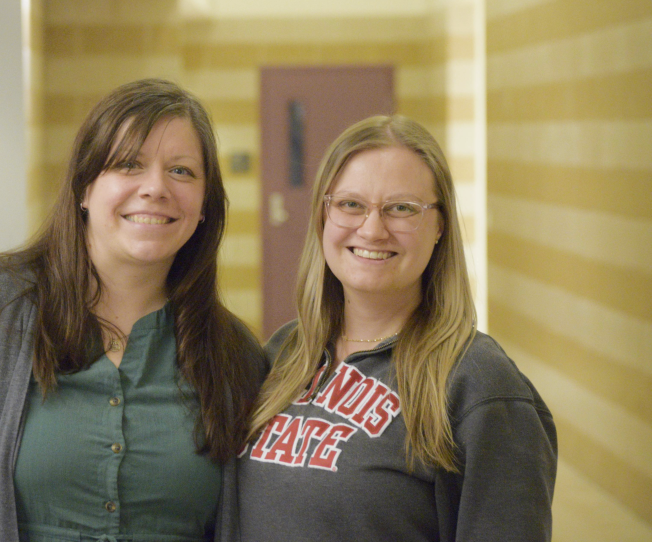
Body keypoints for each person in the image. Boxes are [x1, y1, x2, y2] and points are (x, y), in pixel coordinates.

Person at [0, 78, 266, 542]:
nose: (155, 188)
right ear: (84, 187)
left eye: (181, 171)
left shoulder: (236, 356)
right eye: (129, 164)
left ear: (204, 204)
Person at [219, 115, 557, 541]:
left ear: (440, 226)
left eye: (401, 208)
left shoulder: (479, 384)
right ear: (323, 216)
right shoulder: (284, 353)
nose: (373, 229)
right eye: (350, 204)